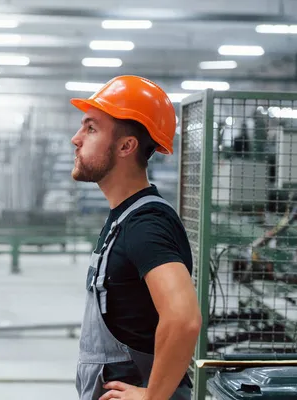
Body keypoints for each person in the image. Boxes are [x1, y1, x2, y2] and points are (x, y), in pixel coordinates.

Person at [70, 75, 202, 400]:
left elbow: (183, 318)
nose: (76, 139)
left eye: (91, 128)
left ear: (127, 146)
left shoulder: (146, 224)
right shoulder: (124, 217)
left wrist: (151, 396)